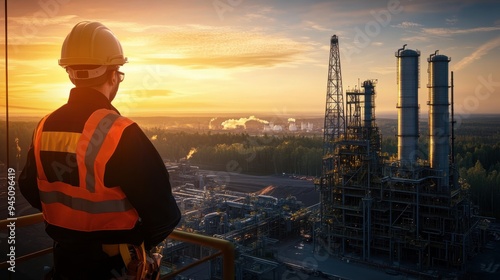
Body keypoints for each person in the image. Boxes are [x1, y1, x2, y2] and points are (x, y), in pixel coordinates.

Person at [19, 21, 181, 279]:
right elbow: (164, 214)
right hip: (113, 267)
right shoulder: (120, 132)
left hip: (65, 263)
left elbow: (28, 186)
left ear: (70, 73)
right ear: (113, 74)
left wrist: (68, 223)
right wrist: (134, 241)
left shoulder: (44, 126)